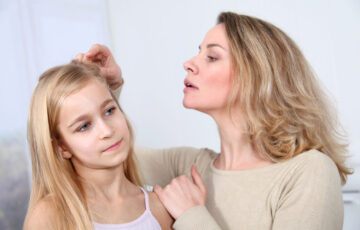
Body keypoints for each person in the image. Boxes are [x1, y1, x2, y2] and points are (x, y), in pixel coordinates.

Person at [78, 12, 352, 230]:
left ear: (255, 78)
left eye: (211, 56)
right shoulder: (191, 166)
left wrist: (192, 216)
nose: (188, 63)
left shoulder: (309, 171)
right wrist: (109, 89)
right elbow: (101, 151)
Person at [23, 61, 173, 230]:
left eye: (109, 111)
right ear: (61, 147)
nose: (107, 131)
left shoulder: (159, 208)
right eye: (84, 126)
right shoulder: (49, 216)